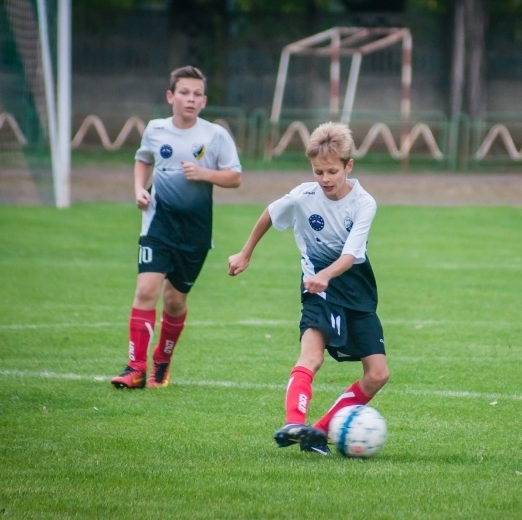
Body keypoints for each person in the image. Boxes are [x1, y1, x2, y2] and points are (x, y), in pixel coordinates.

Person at [227, 121, 388, 455]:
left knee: (377, 374)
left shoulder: (364, 203)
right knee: (311, 356)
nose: (325, 179)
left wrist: (327, 274)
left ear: (348, 166)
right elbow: (270, 214)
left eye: (331, 171)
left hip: (356, 293)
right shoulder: (304, 195)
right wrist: (245, 252)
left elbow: (350, 255)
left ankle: (318, 431)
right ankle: (293, 421)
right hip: (318, 291)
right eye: (318, 172)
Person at [111, 66, 242, 389]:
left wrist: (204, 174)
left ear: (204, 101)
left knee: (174, 301)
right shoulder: (156, 130)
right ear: (171, 96)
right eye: (184, 92)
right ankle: (134, 368)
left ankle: (162, 361)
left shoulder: (215, 135)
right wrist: (139, 189)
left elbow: (235, 177)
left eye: (197, 94)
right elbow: (143, 159)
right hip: (157, 225)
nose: (190, 99)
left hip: (194, 232)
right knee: (145, 290)